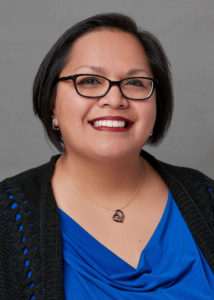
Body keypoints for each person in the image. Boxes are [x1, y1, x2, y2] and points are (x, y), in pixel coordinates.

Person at [0, 13, 214, 300]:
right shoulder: (7, 218)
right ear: (52, 105)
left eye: (136, 83)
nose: (115, 99)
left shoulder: (206, 197)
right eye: (89, 80)